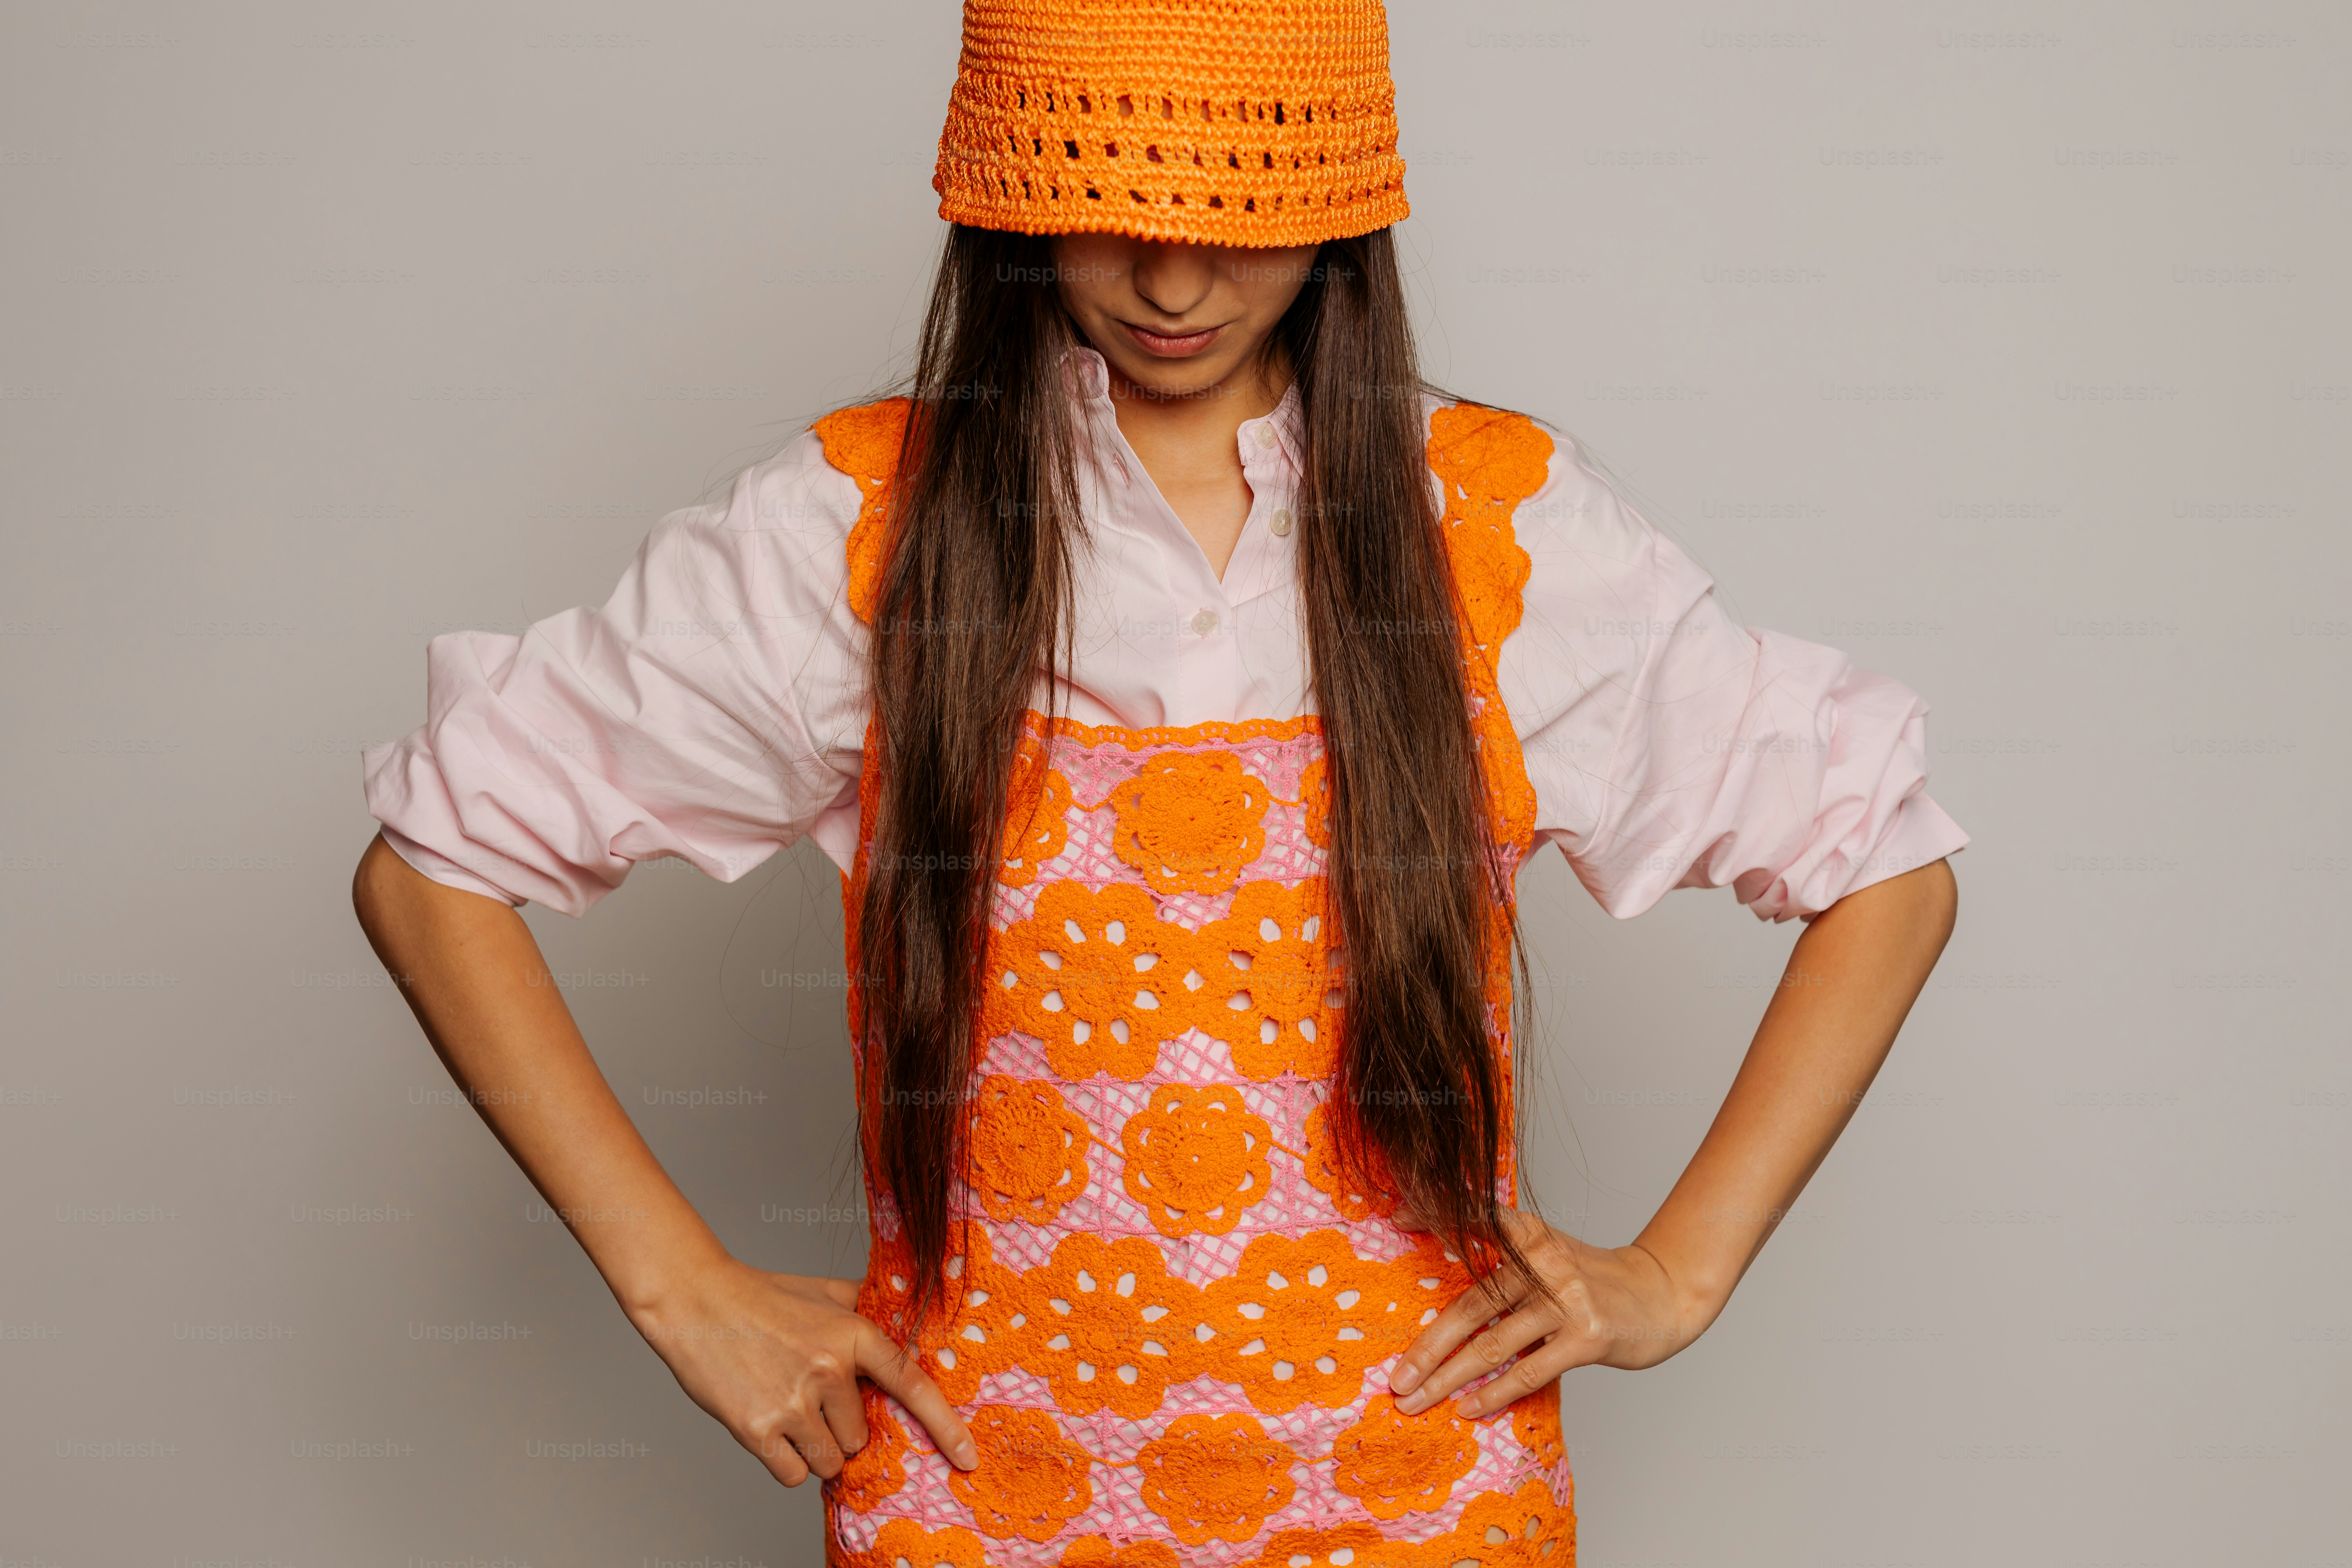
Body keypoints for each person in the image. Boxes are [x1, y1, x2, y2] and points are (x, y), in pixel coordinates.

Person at [352, 1, 1964, 1561]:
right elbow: (432, 858)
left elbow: (1883, 862)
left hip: (1417, 1509)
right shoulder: (859, 532)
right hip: (983, 1504)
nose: (1175, 279)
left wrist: (1678, 1275)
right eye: (1109, 209)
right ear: (1012, 193)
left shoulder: (1493, 535)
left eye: (1241, 215)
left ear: (1340, 206)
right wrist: (672, 1280)